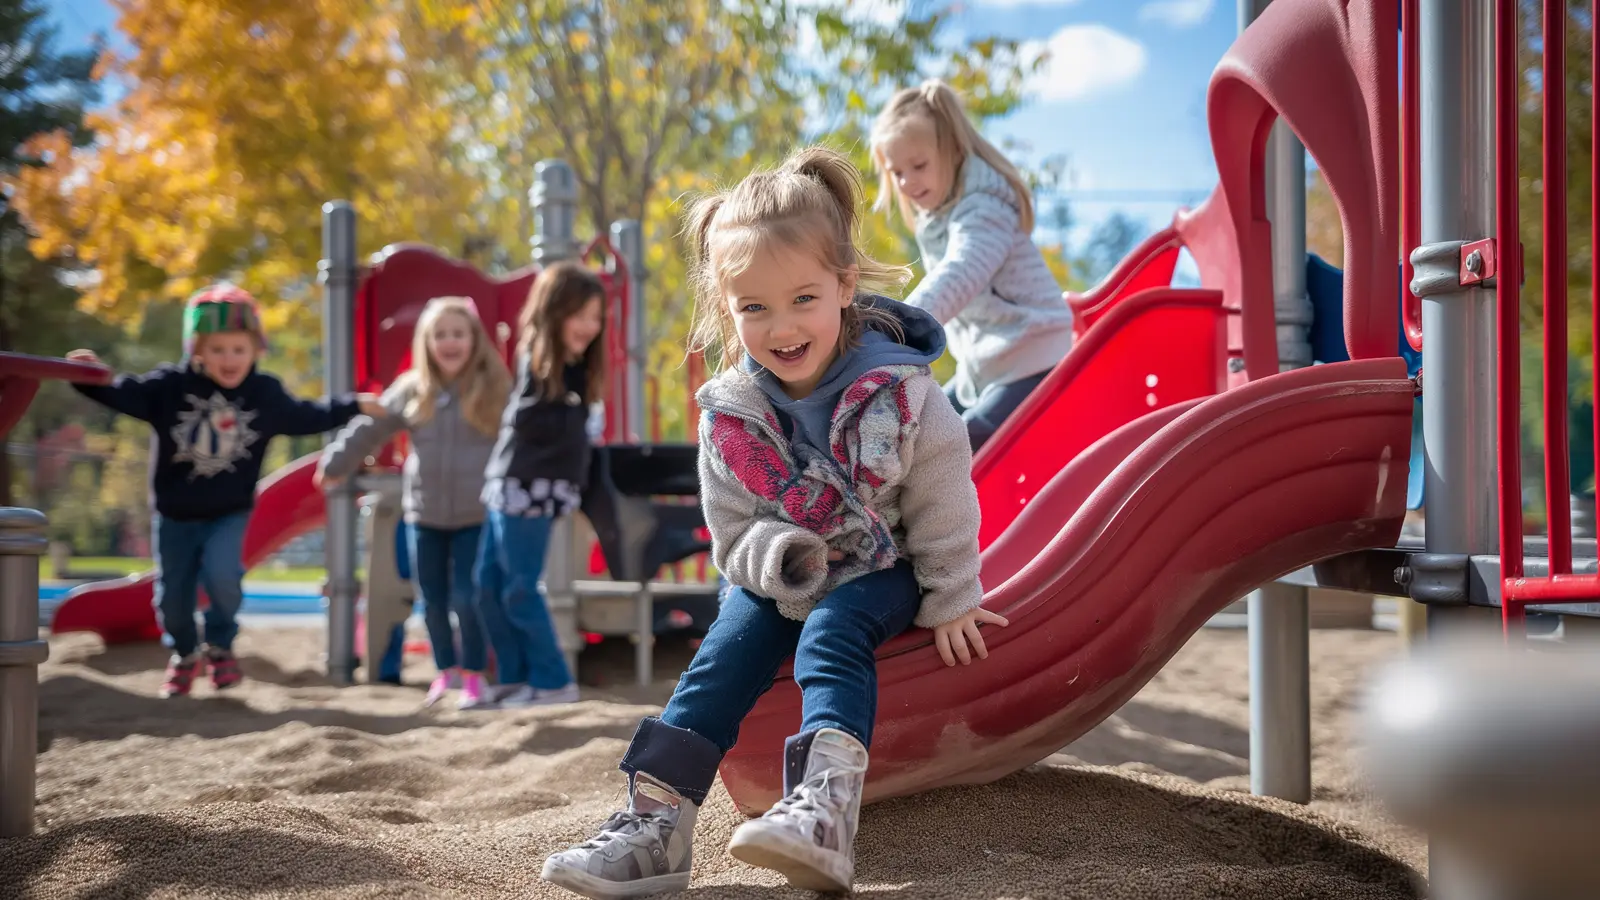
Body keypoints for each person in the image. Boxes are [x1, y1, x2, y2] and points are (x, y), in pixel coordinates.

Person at [540, 146, 1007, 899]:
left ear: (845, 285)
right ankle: (657, 826)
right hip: (775, 572)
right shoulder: (732, 415)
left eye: (802, 300)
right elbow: (730, 532)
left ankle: (822, 810)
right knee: (718, 658)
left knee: (832, 636)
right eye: (753, 307)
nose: (780, 327)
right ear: (727, 308)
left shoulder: (901, 392)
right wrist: (784, 558)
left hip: (878, 565)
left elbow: (942, 495)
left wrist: (953, 593)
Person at [68, 283, 382, 698]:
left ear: (256, 349)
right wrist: (86, 377)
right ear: (196, 349)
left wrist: (355, 404)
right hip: (176, 515)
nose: (229, 359)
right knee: (173, 601)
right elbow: (124, 393)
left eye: (239, 348)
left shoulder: (264, 395)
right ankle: (183, 653)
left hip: (228, 513)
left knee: (223, 577)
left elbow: (309, 415)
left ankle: (219, 645)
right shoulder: (170, 388)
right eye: (217, 349)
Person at [319, 296, 512, 709]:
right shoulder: (413, 389)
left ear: (474, 340)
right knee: (433, 599)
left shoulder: (493, 387)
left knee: (468, 597)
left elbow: (520, 435)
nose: (449, 342)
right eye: (440, 335)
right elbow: (369, 427)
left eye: (458, 334)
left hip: (476, 514)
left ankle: (476, 676)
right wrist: (337, 461)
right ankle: (445, 673)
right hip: (424, 515)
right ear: (426, 342)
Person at [871, 78, 1076, 451]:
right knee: (917, 427)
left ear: (953, 152)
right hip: (987, 368)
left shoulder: (985, 207)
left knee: (958, 442)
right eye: (897, 172)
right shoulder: (939, 217)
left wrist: (898, 327)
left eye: (918, 165)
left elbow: (962, 270)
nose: (907, 182)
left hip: (1035, 359)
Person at [476, 261, 606, 708]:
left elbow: (539, 424)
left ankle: (553, 681)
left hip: (536, 485)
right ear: (554, 311)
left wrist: (547, 415)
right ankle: (514, 677)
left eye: (596, 317)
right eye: (581, 315)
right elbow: (530, 418)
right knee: (486, 586)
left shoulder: (574, 371)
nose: (590, 327)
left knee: (518, 587)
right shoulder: (538, 354)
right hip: (509, 479)